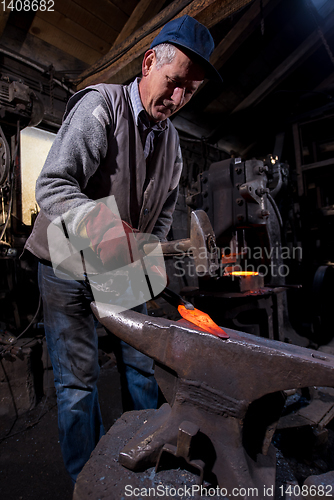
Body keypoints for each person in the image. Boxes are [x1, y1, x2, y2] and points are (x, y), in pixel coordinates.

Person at [25, 15, 223, 483]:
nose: (177, 99)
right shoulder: (102, 107)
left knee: (143, 364)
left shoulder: (173, 145)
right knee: (78, 385)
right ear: (149, 61)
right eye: (173, 84)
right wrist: (105, 226)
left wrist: (152, 275)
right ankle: (88, 483)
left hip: (119, 265)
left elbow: (156, 227)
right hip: (65, 263)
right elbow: (52, 186)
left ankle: (142, 475)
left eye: (188, 93)